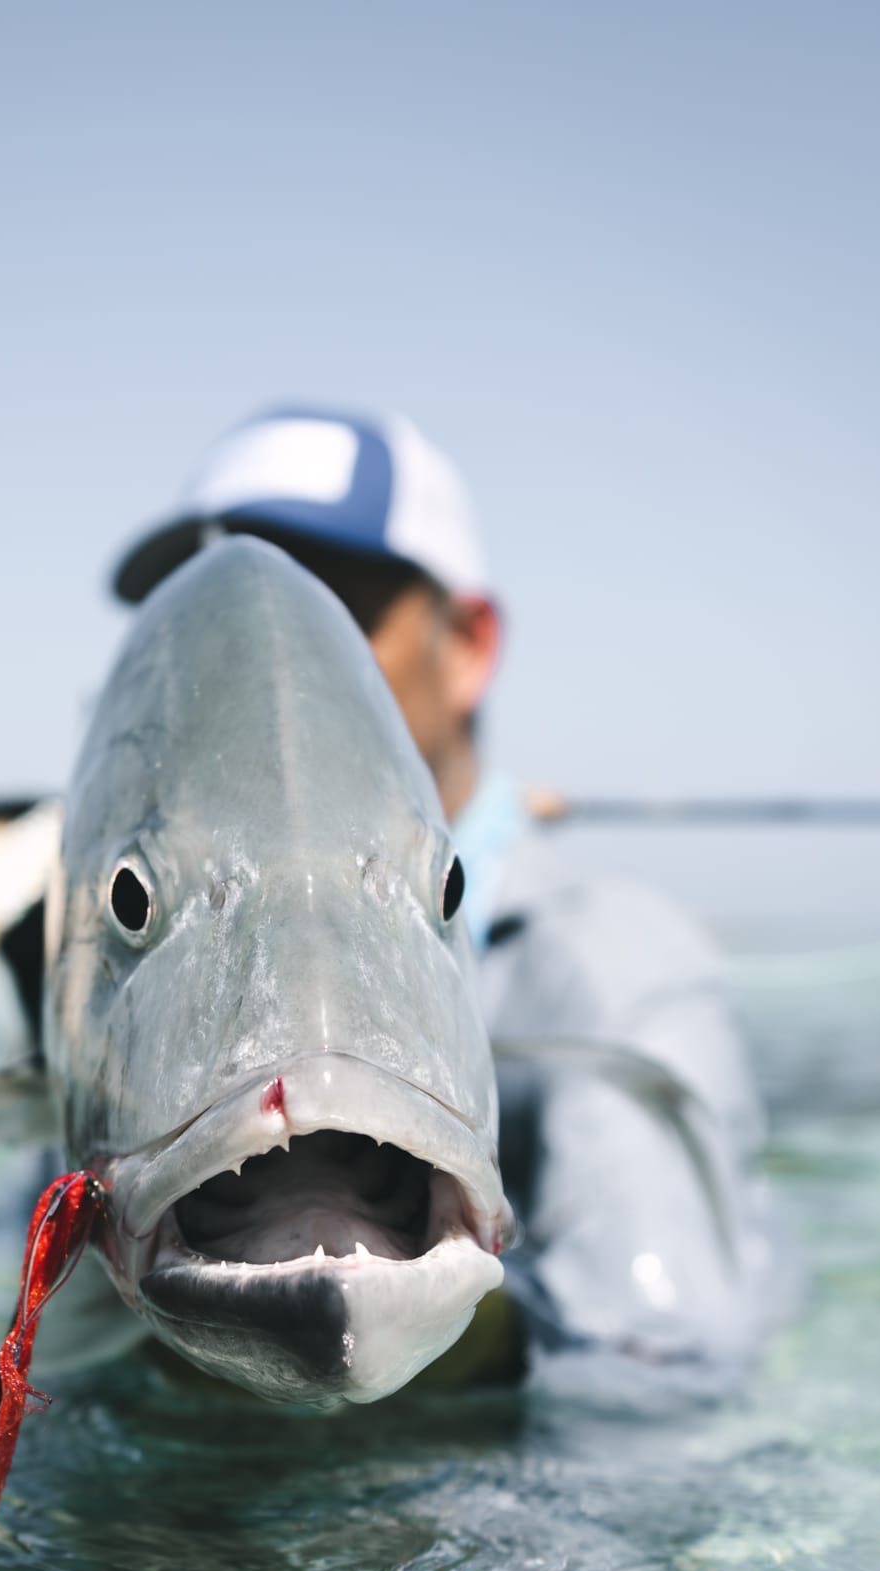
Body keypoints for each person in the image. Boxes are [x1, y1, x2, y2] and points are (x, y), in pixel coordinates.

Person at [102, 404, 771, 1377]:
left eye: (335, 610)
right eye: (207, 635)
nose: (273, 667)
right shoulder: (112, 944)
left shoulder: (606, 972)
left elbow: (659, 1388)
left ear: (465, 645)